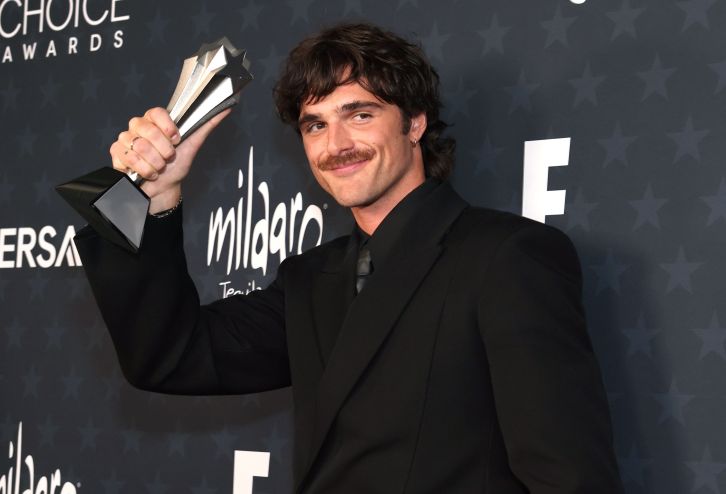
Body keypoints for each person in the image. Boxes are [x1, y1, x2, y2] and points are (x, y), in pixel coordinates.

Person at [75, 23, 623, 493]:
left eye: (359, 115)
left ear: (415, 123)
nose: (335, 144)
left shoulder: (505, 258)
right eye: (315, 124)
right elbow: (169, 357)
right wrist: (155, 196)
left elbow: (569, 478)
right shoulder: (311, 279)